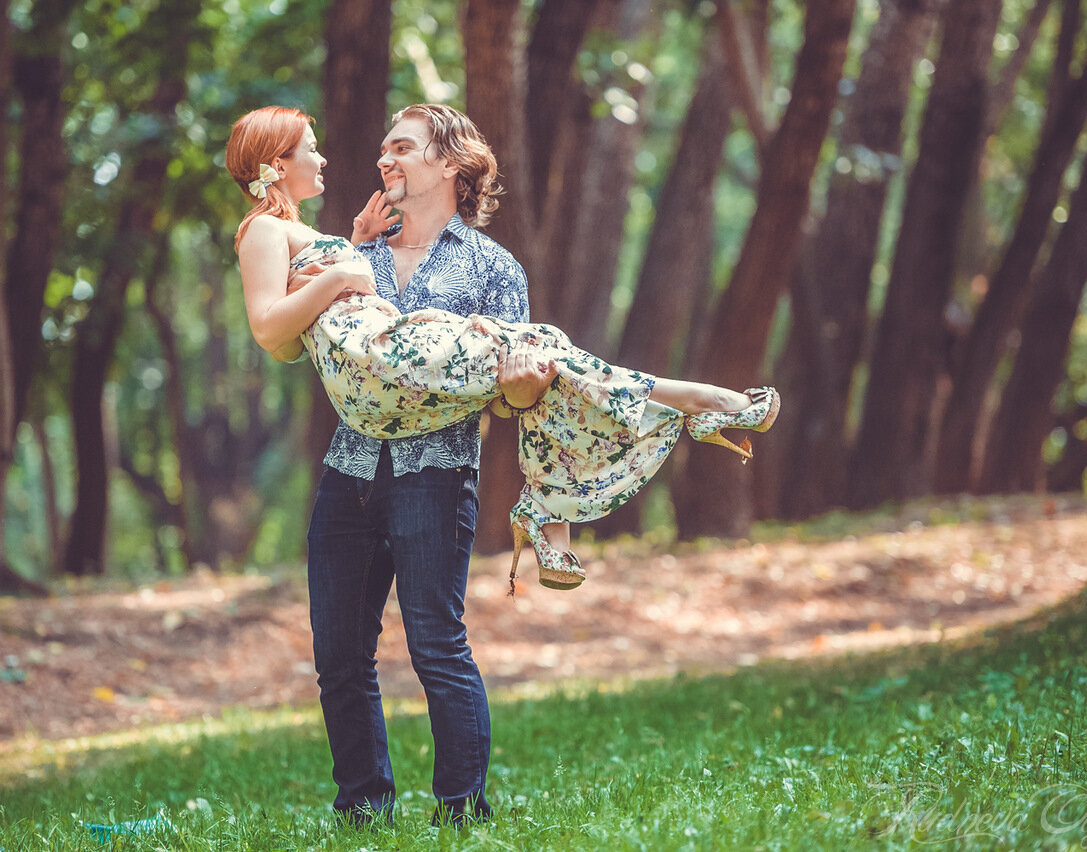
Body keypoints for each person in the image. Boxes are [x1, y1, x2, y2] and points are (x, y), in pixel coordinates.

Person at [225, 104, 779, 825]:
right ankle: (362, 810)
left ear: (448, 163)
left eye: (401, 147)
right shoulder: (350, 240)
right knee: (338, 654)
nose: (381, 160)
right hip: (352, 468)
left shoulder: (492, 268)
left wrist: (523, 383)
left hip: (435, 473)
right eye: (381, 147)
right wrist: (351, 255)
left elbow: (517, 398)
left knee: (436, 646)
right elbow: (302, 340)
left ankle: (462, 812)